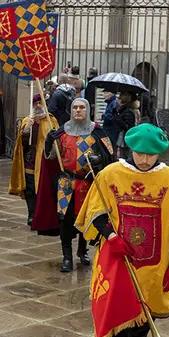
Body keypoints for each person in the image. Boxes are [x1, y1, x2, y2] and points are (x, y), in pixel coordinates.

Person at [75, 124, 169, 337]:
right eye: (140, 153)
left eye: (150, 155)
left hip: (154, 265)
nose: (144, 159)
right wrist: (110, 237)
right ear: (130, 149)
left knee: (142, 325)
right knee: (117, 323)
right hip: (118, 262)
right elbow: (96, 213)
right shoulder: (110, 174)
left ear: (159, 153)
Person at [44, 98, 114, 272]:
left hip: (88, 183)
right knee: (65, 221)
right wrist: (49, 142)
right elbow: (52, 157)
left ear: (87, 110)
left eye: (82, 107)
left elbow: (109, 156)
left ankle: (82, 251)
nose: (78, 110)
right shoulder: (62, 132)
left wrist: (99, 160)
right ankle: (67, 257)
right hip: (66, 183)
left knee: (87, 218)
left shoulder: (97, 132)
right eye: (75, 107)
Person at [9, 94, 58, 226]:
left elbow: (56, 140)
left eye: (40, 103)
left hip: (45, 160)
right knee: (30, 190)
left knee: (44, 189)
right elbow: (21, 143)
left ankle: (42, 214)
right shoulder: (27, 120)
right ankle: (31, 214)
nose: (38, 106)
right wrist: (26, 130)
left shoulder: (51, 120)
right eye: (35, 104)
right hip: (30, 159)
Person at [115, 92, 139, 159]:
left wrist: (118, 118)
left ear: (121, 100)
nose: (117, 101)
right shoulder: (123, 109)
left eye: (119, 99)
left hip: (126, 138)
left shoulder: (127, 111)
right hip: (124, 137)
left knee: (125, 156)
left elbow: (128, 126)